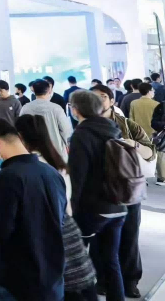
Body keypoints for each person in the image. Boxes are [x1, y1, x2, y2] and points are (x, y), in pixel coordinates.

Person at [0, 118, 66, 301]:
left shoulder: (7, 176)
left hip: (16, 278)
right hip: (51, 273)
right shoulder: (51, 172)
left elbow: (0, 229)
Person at [14, 114, 98, 301]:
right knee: (78, 285)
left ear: (19, 136)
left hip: (50, 236)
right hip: (68, 229)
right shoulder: (56, 159)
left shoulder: (32, 167)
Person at [91, 84, 154, 298]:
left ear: (112, 101)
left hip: (128, 190)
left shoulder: (128, 125)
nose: (98, 101)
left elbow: (150, 153)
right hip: (100, 191)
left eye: (102, 97)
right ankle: (103, 280)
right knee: (99, 240)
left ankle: (130, 281)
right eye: (94, 98)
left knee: (129, 237)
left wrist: (132, 145)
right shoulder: (86, 127)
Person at [68, 90, 129, 301]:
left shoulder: (81, 134)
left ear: (75, 110)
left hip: (93, 209)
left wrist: (71, 210)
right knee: (111, 260)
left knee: (77, 263)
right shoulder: (113, 129)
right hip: (118, 205)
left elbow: (78, 178)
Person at [21, 78, 73, 160]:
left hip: (34, 153)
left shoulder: (25, 108)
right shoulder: (56, 108)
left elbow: (21, 130)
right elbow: (65, 130)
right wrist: (66, 144)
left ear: (33, 91)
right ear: (48, 90)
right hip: (56, 151)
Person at [127, 82, 165, 186]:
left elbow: (131, 119)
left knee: (140, 155)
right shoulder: (156, 104)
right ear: (149, 91)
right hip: (154, 133)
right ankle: (161, 177)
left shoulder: (134, 103)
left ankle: (143, 177)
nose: (154, 92)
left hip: (138, 132)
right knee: (159, 154)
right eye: (153, 91)